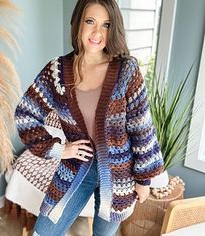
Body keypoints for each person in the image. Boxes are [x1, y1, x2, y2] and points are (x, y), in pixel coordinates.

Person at [15, 0, 164, 235]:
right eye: (90, 21)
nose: (97, 32)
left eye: (106, 24)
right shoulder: (56, 71)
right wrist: (59, 150)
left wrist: (143, 180)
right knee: (43, 231)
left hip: (119, 175)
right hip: (75, 167)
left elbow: (141, 129)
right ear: (78, 24)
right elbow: (26, 115)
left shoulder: (126, 70)